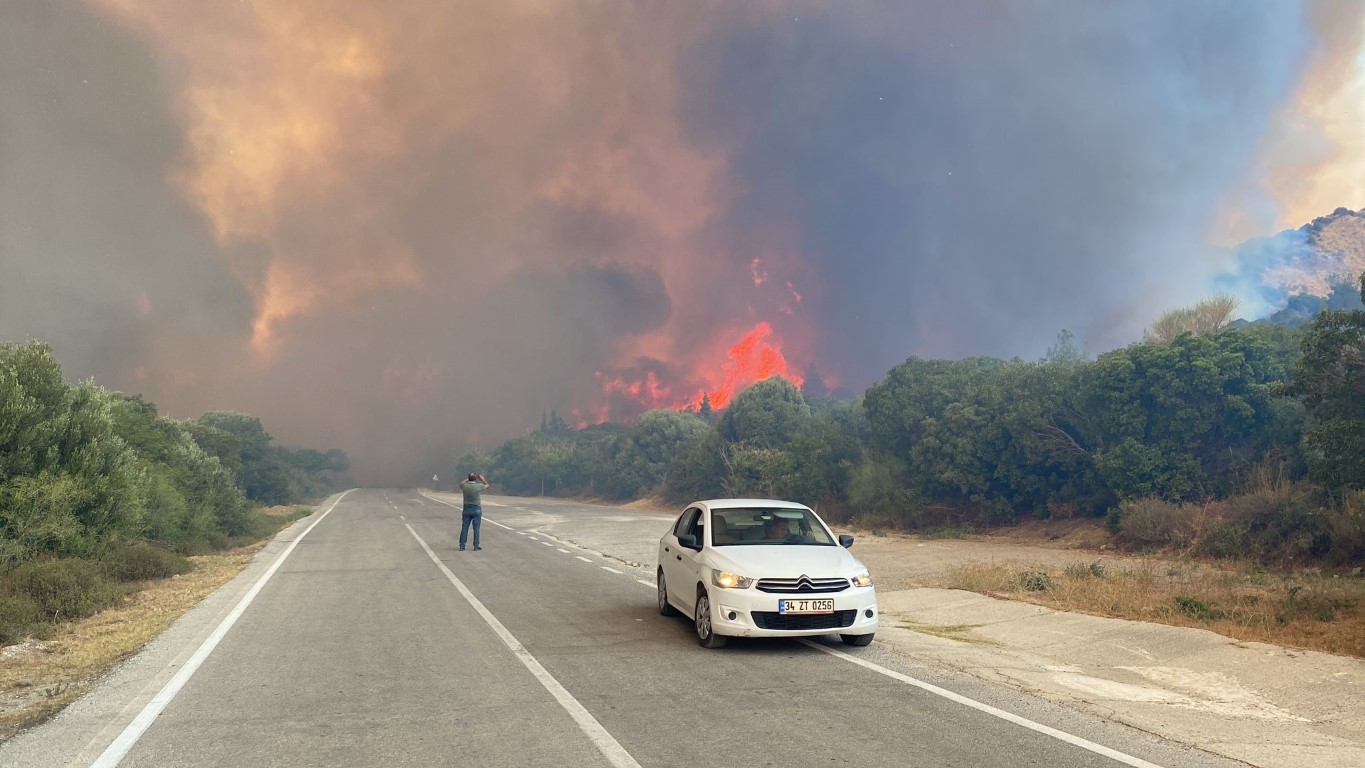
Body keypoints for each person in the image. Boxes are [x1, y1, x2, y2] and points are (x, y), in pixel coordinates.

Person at [458, 472, 489, 551]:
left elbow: (461, 483)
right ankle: (476, 545)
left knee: (464, 527)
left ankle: (462, 545)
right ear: (475, 479)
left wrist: (468, 479)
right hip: (476, 508)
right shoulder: (478, 486)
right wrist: (482, 479)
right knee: (476, 528)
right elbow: (487, 485)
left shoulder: (465, 486)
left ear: (468, 478)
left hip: (467, 508)